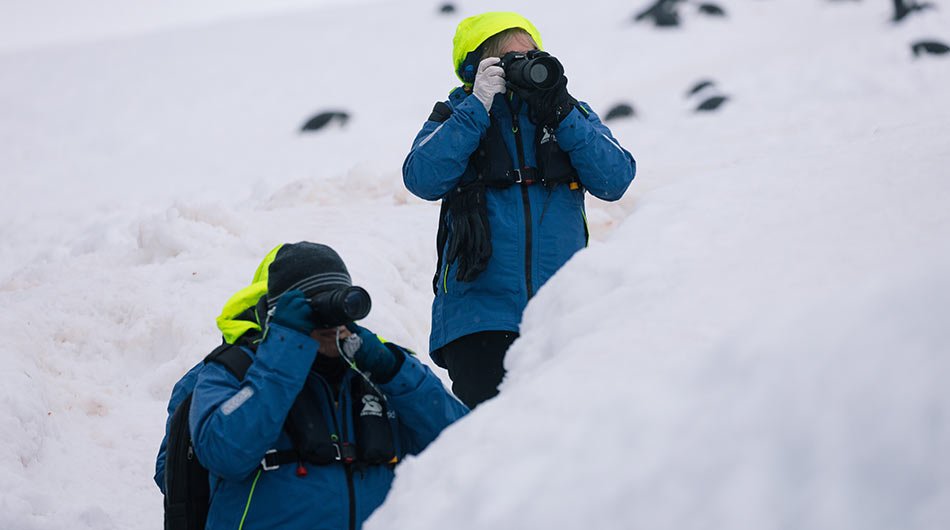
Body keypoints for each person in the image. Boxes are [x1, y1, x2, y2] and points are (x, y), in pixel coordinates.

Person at [402, 12, 636, 408]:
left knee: (566, 439)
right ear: (478, 67)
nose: (526, 65)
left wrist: (560, 110)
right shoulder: (457, 113)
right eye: (511, 59)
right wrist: (477, 106)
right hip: (480, 319)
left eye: (533, 55)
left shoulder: (566, 113)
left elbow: (616, 179)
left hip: (565, 315)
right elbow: (421, 177)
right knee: (493, 446)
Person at [161, 242, 468, 530]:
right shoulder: (229, 372)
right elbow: (223, 455)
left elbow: (464, 445)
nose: (330, 322)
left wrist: (395, 370)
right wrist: (285, 354)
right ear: (280, 313)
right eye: (314, 309)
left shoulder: (375, 375)